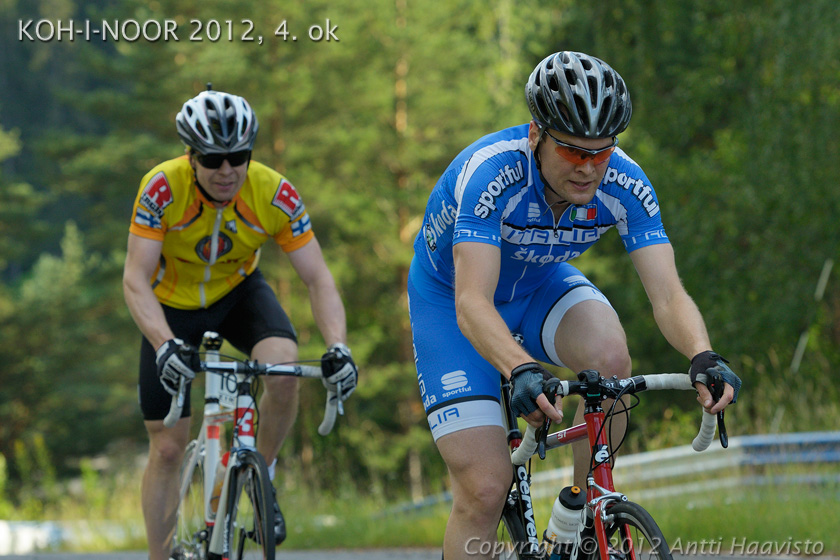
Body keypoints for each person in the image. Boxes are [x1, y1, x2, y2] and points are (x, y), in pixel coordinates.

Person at [407, 51, 742, 559]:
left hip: (540, 285)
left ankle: (584, 520)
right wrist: (521, 368)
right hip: (452, 302)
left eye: (600, 153)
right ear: (536, 136)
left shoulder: (626, 184)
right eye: (572, 152)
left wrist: (702, 354)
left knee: (610, 360)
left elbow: (668, 294)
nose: (588, 169)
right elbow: (471, 302)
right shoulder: (491, 174)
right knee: (484, 489)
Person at [123, 85, 358, 560]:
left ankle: (261, 475)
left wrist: (339, 347)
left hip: (237, 295)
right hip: (169, 307)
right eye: (213, 159)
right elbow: (134, 279)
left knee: (283, 367)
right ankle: (157, 554)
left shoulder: (274, 191)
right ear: (191, 157)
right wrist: (164, 343)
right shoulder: (162, 188)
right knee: (168, 447)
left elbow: (318, 279)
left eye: (238, 156)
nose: (227, 170)